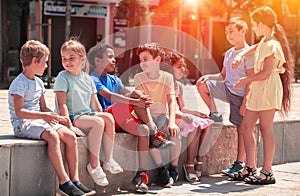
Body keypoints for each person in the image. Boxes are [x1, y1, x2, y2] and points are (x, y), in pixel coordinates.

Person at [8, 40, 95, 196]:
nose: (47, 66)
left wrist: (58, 118)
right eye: (45, 62)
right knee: (52, 136)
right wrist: (44, 116)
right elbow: (20, 112)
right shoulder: (19, 84)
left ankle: (75, 181)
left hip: (39, 121)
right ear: (35, 61)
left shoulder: (39, 82)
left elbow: (43, 108)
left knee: (69, 136)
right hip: (23, 124)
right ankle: (64, 182)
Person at [86, 43, 174, 193]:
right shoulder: (93, 78)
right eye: (109, 57)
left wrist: (141, 99)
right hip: (106, 117)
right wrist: (136, 101)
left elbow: (126, 91)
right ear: (97, 61)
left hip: (121, 119)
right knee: (136, 95)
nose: (114, 60)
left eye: (114, 56)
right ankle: (155, 134)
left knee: (143, 129)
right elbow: (110, 96)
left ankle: (140, 175)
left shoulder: (114, 79)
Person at [229, 6, 294, 185]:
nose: (253, 28)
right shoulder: (266, 41)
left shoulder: (273, 44)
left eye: (254, 24)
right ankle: (250, 167)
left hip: (268, 88)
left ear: (262, 24)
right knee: (246, 126)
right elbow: (254, 48)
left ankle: (267, 172)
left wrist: (244, 80)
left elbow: (266, 73)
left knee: (266, 129)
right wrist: (240, 55)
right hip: (259, 88)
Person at [53, 38, 124, 188]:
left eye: (72, 58)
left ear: (82, 59)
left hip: (86, 115)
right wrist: (69, 124)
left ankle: (109, 160)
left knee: (107, 117)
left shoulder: (88, 79)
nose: (67, 62)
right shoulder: (62, 77)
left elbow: (96, 105)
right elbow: (62, 104)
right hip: (72, 117)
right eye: (64, 58)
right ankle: (94, 165)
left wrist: (104, 117)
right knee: (98, 122)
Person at [196, 17, 255, 176]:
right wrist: (208, 77)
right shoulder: (229, 53)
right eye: (226, 32)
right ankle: (216, 114)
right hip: (226, 88)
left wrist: (245, 103)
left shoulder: (248, 54)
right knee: (201, 85)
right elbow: (223, 75)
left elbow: (250, 80)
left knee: (241, 129)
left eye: (232, 31)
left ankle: (239, 163)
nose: (228, 35)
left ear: (243, 31)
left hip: (240, 95)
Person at [134, 43, 181, 187]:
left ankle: (174, 168)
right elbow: (142, 103)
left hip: (162, 116)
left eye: (146, 59)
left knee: (176, 134)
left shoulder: (167, 77)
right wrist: (152, 124)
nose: (142, 63)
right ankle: (161, 169)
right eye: (141, 60)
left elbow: (171, 100)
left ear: (157, 60)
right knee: (152, 140)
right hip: (146, 117)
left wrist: (171, 122)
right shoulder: (139, 78)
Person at [165, 52, 214, 182]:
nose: (183, 70)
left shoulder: (179, 87)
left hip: (179, 115)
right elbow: (166, 109)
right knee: (195, 125)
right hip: (171, 117)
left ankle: (200, 160)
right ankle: (189, 163)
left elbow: (182, 107)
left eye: (184, 66)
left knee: (208, 123)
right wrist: (184, 116)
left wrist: (198, 114)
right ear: (170, 68)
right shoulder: (164, 84)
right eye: (179, 66)